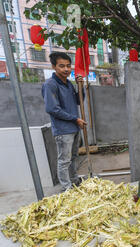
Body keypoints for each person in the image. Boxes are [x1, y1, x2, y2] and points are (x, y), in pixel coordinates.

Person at [42, 52, 87, 192]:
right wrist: (75, 119)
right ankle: (67, 188)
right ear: (54, 66)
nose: (66, 69)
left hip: (74, 128)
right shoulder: (50, 84)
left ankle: (74, 181)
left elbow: (78, 102)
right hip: (63, 130)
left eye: (68, 66)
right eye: (62, 66)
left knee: (73, 157)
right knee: (64, 161)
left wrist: (81, 86)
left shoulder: (68, 84)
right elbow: (52, 109)